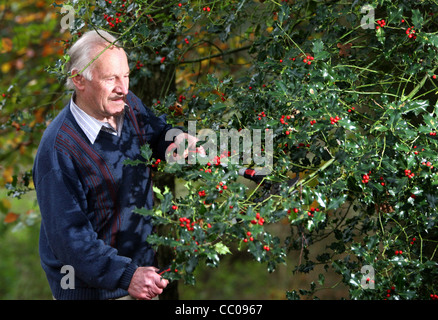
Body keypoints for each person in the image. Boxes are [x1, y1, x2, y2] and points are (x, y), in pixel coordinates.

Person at [33, 29, 198, 300]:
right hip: (95, 292)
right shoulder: (58, 150)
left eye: (127, 75)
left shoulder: (127, 105)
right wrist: (127, 275)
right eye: (111, 78)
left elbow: (154, 133)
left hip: (143, 280)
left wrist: (175, 139)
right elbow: (70, 241)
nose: (123, 87)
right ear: (79, 79)